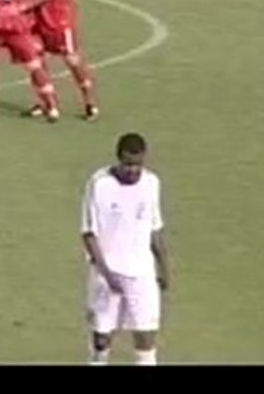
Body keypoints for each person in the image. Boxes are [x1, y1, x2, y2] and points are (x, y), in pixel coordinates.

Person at [81, 133, 169, 366]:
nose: (133, 169)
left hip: (141, 272)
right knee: (102, 336)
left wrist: (164, 268)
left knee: (146, 332)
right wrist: (107, 275)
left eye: (138, 164)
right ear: (118, 159)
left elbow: (155, 229)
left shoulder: (152, 183)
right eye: (128, 163)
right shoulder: (100, 184)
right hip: (106, 270)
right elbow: (89, 234)